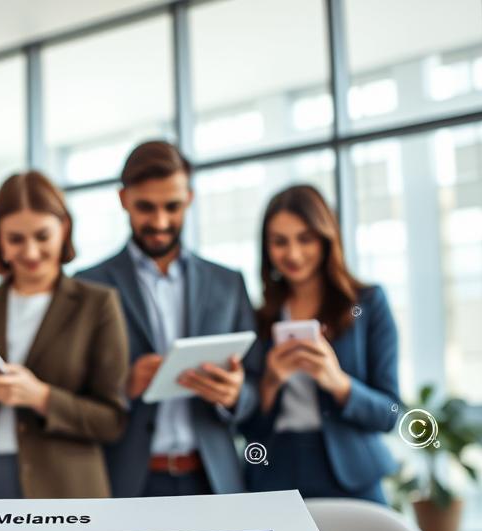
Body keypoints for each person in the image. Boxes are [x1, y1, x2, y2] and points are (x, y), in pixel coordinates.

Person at [77, 141, 261, 497]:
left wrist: (235, 393)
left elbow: (256, 387)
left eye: (172, 207)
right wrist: (122, 387)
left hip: (212, 481)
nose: (160, 222)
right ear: (123, 199)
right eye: (145, 207)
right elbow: (68, 392)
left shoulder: (227, 283)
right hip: (125, 482)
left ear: (190, 198)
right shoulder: (87, 286)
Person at [0, 171, 129, 499]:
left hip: (66, 490)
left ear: (64, 230)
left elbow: (113, 420)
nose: (31, 252)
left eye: (42, 236)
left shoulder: (97, 304)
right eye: (16, 239)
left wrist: (40, 397)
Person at [243, 184, 400, 503]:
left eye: (305, 238)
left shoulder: (367, 305)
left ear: (326, 239)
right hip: (276, 473)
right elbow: (249, 427)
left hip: (352, 476)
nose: (293, 254)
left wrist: (338, 382)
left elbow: (391, 413)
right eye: (279, 242)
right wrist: (270, 382)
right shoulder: (260, 318)